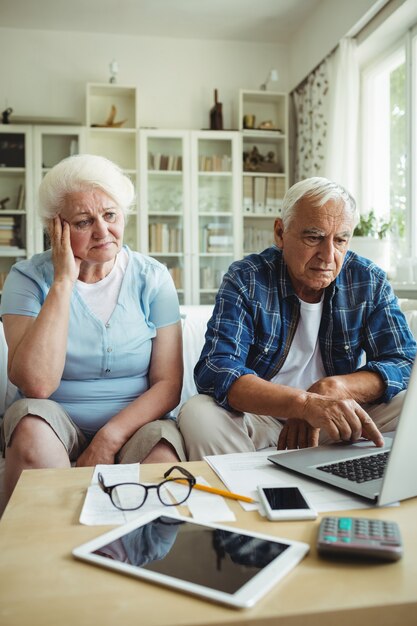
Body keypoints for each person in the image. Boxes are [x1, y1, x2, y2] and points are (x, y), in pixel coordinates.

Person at [178, 177, 417, 460]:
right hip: (261, 419)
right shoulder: (247, 278)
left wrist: (334, 388)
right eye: (313, 237)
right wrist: (302, 404)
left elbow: (404, 361)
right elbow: (216, 368)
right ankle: (250, 493)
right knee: (199, 414)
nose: (328, 256)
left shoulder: (368, 280)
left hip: (336, 417)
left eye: (340, 240)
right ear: (280, 232)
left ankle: (360, 481)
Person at [0, 154, 185, 501]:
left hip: (135, 424)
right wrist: (62, 282)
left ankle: (125, 553)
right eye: (84, 221)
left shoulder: (153, 278)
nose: (103, 231)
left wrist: (108, 438)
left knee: (162, 458)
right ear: (56, 227)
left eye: (110, 215)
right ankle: (40, 550)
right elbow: (36, 384)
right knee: (29, 430)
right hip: (52, 420)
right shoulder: (26, 278)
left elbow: (168, 384)